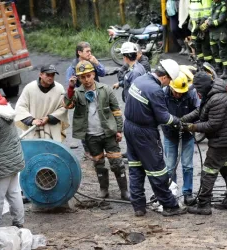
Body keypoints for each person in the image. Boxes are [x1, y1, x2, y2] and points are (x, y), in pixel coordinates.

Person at [123, 59, 187, 217]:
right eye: (170, 80)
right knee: (157, 170)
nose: (169, 84)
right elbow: (163, 117)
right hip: (144, 133)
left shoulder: (140, 79)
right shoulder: (155, 89)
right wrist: (178, 122)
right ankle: (170, 205)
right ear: (164, 77)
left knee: (136, 167)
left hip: (129, 127)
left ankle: (138, 206)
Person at [63, 61, 129, 201]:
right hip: (91, 136)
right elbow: (68, 104)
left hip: (108, 133)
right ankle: (103, 189)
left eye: (88, 76)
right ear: (78, 78)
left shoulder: (105, 89)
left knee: (117, 163)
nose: (86, 80)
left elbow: (116, 111)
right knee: (98, 163)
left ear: (93, 74)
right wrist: (70, 88)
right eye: (82, 77)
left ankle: (124, 191)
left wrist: (119, 130)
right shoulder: (77, 93)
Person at [180, 71, 227, 215]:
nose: (197, 92)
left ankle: (203, 204)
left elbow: (213, 124)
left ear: (204, 86)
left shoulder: (217, 99)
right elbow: (200, 112)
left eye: (198, 88)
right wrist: (182, 120)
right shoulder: (211, 94)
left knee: (208, 171)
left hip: (222, 140)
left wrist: (191, 127)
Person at [162, 72, 200, 206]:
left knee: (188, 166)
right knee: (170, 166)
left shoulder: (190, 93)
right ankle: (172, 193)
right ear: (171, 87)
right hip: (170, 135)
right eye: (176, 92)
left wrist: (184, 121)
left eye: (181, 93)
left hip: (187, 134)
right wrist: (173, 122)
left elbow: (198, 110)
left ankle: (187, 193)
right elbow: (160, 112)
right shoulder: (163, 94)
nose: (178, 95)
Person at [65, 41, 106, 158]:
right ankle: (87, 150)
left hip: (96, 95)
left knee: (98, 119)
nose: (90, 53)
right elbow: (70, 86)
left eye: (90, 51)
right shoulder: (72, 68)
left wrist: (96, 63)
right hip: (82, 100)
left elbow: (103, 73)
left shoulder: (92, 62)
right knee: (84, 123)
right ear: (79, 53)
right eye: (87, 51)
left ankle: (99, 147)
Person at [15, 64, 69, 142]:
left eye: (53, 75)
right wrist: (32, 120)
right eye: (48, 75)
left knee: (53, 152)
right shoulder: (30, 88)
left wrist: (49, 118)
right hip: (34, 128)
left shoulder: (59, 89)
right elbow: (20, 107)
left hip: (52, 129)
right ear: (40, 75)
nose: (50, 77)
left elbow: (63, 108)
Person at [0, 93, 25, 228]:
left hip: (1, 164)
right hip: (13, 159)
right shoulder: (5, 109)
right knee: (14, 193)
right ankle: (19, 223)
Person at [203, 0, 227, 79]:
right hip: (212, 32)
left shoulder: (224, 5)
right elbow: (211, 16)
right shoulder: (213, 4)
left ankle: (226, 71)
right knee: (214, 51)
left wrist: (209, 23)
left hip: (221, 32)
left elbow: (220, 20)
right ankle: (218, 68)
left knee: (223, 52)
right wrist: (207, 20)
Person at [189, 0, 213, 66]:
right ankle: (200, 62)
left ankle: (208, 64)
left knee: (205, 46)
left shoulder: (205, 1)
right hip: (194, 26)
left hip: (202, 26)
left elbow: (208, 14)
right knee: (196, 45)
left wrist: (201, 25)